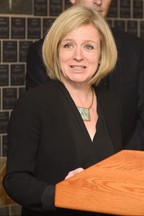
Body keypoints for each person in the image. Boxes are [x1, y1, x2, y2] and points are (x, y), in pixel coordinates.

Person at [3, 5, 122, 215]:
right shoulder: (33, 103)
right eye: (68, 45)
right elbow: (15, 180)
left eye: (89, 47)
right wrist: (58, 193)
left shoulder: (111, 102)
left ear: (102, 54)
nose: (78, 56)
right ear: (56, 51)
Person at [26, 0, 144, 151]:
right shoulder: (40, 52)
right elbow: (38, 123)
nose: (99, 2)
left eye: (89, 47)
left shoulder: (134, 48)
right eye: (68, 45)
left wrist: (121, 162)